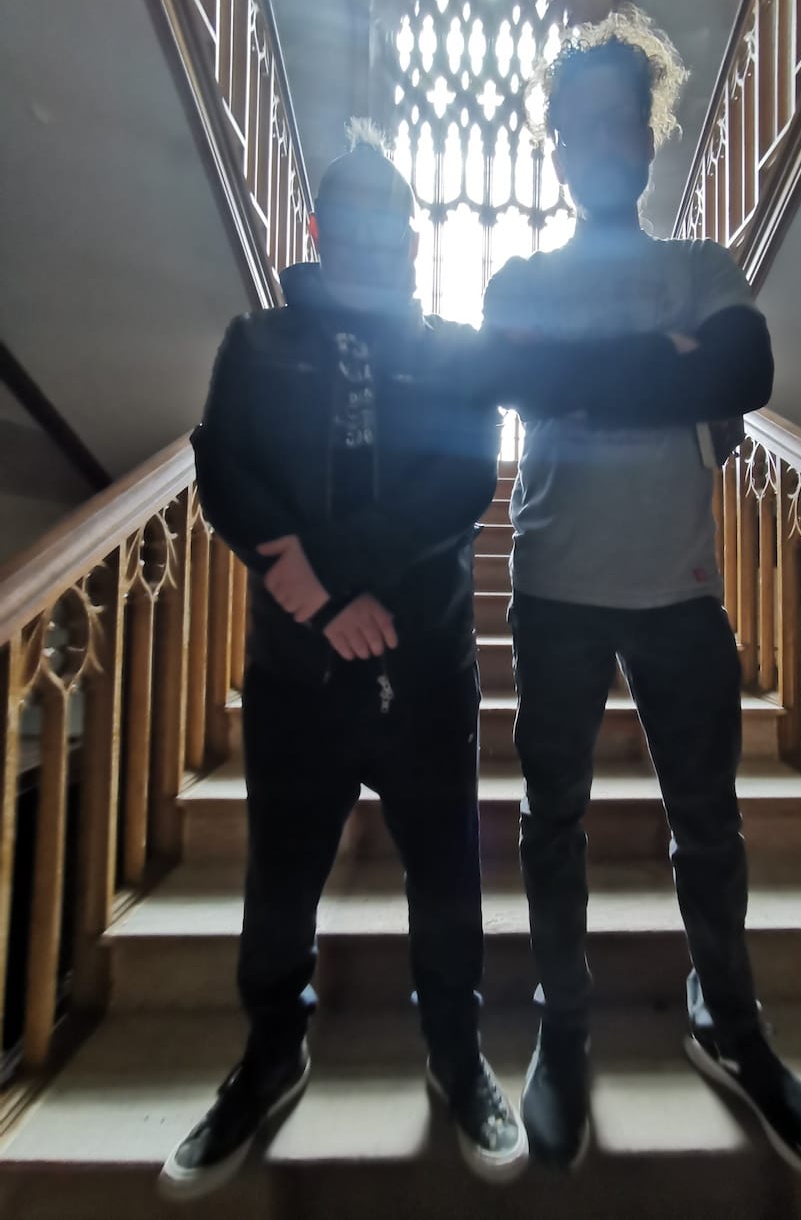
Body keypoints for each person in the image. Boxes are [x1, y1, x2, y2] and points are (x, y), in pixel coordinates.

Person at [416, 7, 801, 1183]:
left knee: (708, 824)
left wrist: (582, 374)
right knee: (548, 823)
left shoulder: (701, 267)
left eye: (624, 120)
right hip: (554, 584)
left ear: (649, 142)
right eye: (580, 122)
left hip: (680, 589)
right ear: (557, 142)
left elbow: (744, 372)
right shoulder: (521, 275)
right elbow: (505, 373)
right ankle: (565, 1032)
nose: (601, 139)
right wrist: (659, 367)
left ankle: (732, 1023)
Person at [158, 122, 528, 1200]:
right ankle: (272, 1051)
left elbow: (459, 486)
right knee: (280, 878)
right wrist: (317, 604)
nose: (379, 241)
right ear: (322, 229)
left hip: (425, 665)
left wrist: (331, 571)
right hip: (294, 674)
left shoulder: (454, 348)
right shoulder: (256, 341)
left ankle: (457, 1054)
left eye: (395, 226)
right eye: (357, 223)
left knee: (447, 876)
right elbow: (222, 470)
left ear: (414, 238)